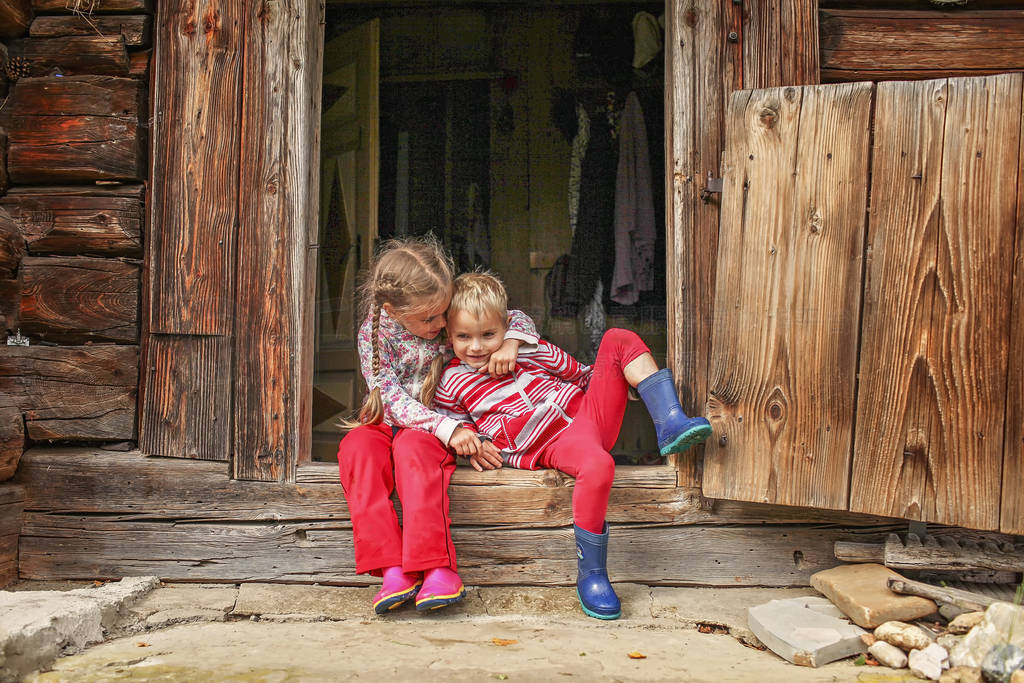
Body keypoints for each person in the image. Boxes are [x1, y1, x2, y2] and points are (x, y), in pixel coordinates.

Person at [429, 272, 711, 620]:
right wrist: (476, 444)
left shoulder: (531, 350)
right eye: (463, 337)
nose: (476, 346)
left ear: (506, 326)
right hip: (553, 444)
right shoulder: (451, 380)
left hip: (588, 415)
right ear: (448, 335)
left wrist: (523, 344)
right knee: (599, 466)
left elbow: (581, 375)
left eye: (488, 334)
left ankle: (670, 421)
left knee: (618, 338)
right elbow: (456, 427)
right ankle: (592, 575)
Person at [337, 237, 540, 614]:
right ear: (392, 310)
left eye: (442, 313)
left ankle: (435, 567)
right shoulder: (373, 332)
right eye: (428, 318)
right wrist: (451, 431)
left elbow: (512, 317)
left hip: (431, 429)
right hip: (390, 420)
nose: (440, 324)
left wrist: (513, 340)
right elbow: (392, 399)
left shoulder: (447, 318)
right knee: (356, 449)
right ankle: (392, 569)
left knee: (413, 454)